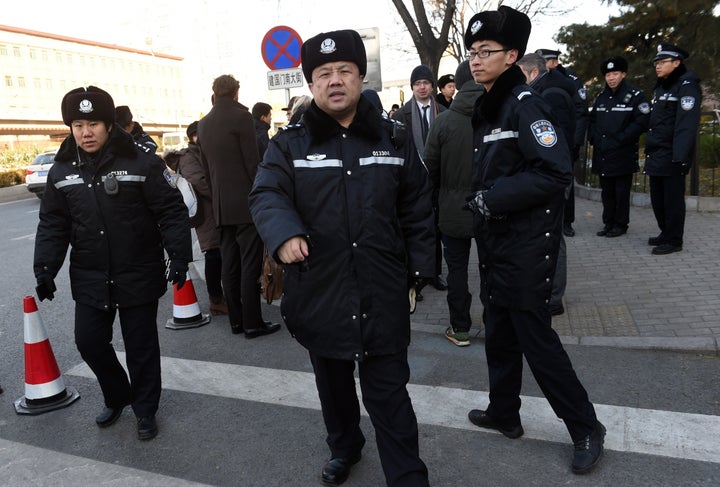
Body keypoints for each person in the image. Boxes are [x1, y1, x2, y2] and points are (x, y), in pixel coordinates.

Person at [249, 29, 434, 486]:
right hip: (320, 288)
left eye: (344, 72)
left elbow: (417, 205)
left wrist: (417, 274)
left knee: (389, 394)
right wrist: (284, 233)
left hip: (382, 288)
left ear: (359, 77)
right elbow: (267, 193)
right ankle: (345, 446)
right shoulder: (289, 142)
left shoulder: (392, 137)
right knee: (333, 390)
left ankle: (408, 477)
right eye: (324, 74)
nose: (335, 81)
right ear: (311, 85)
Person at [463, 7, 605, 474]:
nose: (475, 60)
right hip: (496, 244)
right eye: (472, 52)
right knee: (498, 336)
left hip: (525, 246)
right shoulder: (487, 107)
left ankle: (586, 426)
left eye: (486, 52)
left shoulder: (526, 104)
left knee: (537, 344)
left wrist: (492, 199)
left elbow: (554, 170)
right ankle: (505, 413)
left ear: (512, 55)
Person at [33, 86, 192, 440]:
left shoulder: (141, 162)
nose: (86, 132)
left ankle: (145, 410)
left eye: (93, 123)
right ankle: (119, 394)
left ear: (108, 125)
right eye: (78, 124)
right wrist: (44, 268)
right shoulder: (61, 170)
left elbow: (171, 211)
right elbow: (53, 225)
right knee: (88, 342)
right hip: (91, 274)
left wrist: (179, 255)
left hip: (137, 270)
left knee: (141, 349)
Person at [197, 74, 281, 338]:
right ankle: (253, 323)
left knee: (229, 264)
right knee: (250, 265)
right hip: (245, 203)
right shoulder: (241, 117)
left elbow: (205, 168)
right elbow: (252, 163)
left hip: (221, 206)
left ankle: (236, 321)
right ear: (236, 93)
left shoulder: (204, 124)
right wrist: (263, 196)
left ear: (215, 92)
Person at [424, 60, 483, 347]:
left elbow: (429, 170)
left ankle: (460, 328)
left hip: (452, 209)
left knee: (457, 271)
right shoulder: (498, 115)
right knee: (493, 268)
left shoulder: (443, 122)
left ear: (456, 86)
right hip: (492, 209)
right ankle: (498, 327)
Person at [516, 52, 577, 316]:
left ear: (531, 73)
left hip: (552, 178)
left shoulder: (548, 95)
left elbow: (554, 142)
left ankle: (553, 296)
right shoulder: (544, 92)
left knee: (554, 237)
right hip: (549, 176)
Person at [393, 65, 447, 297]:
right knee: (413, 228)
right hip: (412, 181)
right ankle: (414, 276)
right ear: (412, 87)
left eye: (425, 83)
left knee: (435, 228)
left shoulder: (443, 112)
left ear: (432, 86)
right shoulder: (400, 115)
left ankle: (434, 273)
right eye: (417, 84)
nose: (422, 87)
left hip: (438, 180)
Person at [644, 43, 702, 255]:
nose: (657, 66)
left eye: (662, 62)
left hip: (672, 155)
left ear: (676, 63)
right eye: (656, 63)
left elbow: (686, 124)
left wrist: (680, 156)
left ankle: (674, 240)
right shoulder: (661, 86)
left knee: (672, 201)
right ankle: (665, 233)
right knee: (658, 199)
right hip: (657, 152)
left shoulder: (687, 85)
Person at [165, 121, 227, 315]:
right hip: (207, 212)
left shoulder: (203, 152)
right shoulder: (188, 157)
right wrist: (223, 197)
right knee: (213, 254)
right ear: (194, 136)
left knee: (221, 253)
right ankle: (215, 299)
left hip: (216, 210)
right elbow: (200, 182)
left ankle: (220, 296)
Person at [589, 56, 650, 238]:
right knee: (607, 192)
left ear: (623, 74)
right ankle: (608, 222)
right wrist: (595, 139)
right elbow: (591, 122)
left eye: (615, 73)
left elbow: (641, 122)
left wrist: (620, 139)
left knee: (621, 192)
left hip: (622, 153)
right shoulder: (601, 97)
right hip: (603, 153)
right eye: (608, 74)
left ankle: (621, 224)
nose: (611, 78)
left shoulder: (635, 96)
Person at [536, 48, 589, 237]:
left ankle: (567, 221)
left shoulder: (571, 82)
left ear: (555, 62)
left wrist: (576, 143)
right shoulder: (540, 82)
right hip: (547, 139)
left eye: (546, 62)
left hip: (568, 139)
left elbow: (581, 113)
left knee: (567, 182)